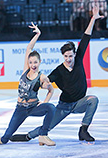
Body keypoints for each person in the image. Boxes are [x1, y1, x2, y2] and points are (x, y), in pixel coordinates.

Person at [10, 4, 102, 143]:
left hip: (79, 103)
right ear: (63, 56)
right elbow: (45, 80)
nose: (69, 59)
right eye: (66, 56)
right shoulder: (59, 71)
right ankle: (28, 136)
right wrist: (39, 87)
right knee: (47, 127)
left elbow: (85, 38)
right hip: (64, 106)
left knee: (93, 100)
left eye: (70, 56)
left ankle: (83, 130)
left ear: (74, 54)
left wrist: (93, 19)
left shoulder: (78, 60)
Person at [0, 22, 56, 146]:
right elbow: (28, 49)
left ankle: (43, 135)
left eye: (35, 62)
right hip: (20, 108)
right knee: (5, 139)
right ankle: (4, 139)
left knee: (51, 108)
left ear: (40, 62)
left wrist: (45, 101)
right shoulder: (26, 70)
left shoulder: (42, 76)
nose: (33, 65)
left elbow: (51, 90)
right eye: (31, 62)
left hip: (33, 107)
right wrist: (38, 34)